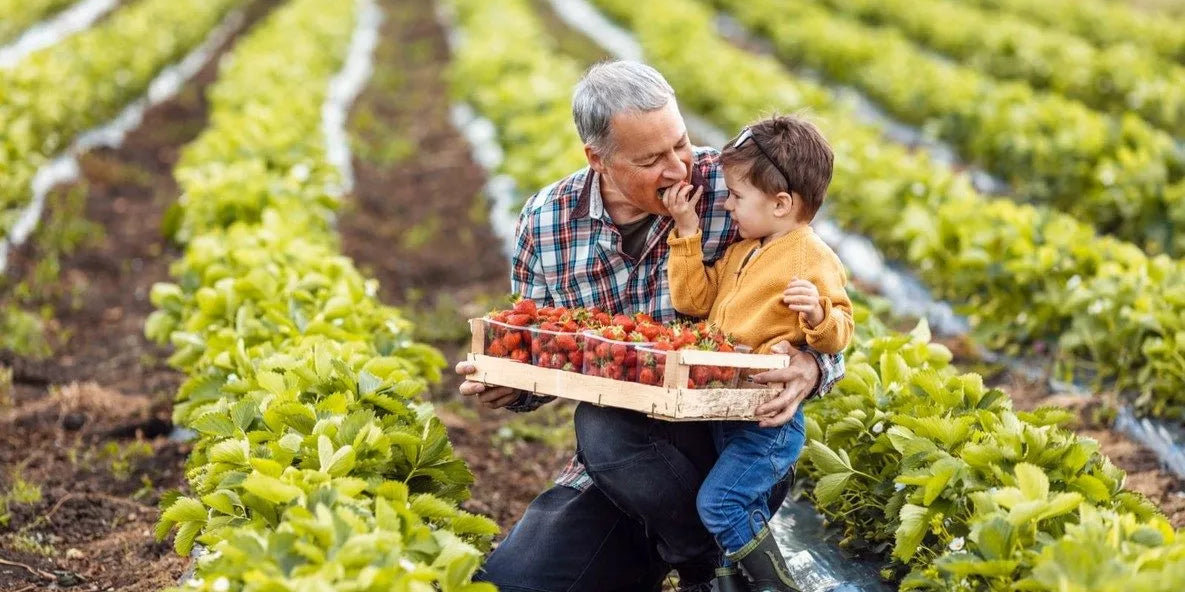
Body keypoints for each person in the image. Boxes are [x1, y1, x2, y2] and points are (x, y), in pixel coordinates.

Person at [453, 60, 845, 592]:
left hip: (725, 449)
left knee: (603, 424)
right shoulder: (545, 223)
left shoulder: (735, 189)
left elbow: (824, 302)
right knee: (516, 582)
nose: (680, 169)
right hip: (617, 473)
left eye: (680, 144)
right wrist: (509, 382)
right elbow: (543, 352)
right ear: (599, 159)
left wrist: (813, 364)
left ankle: (705, 562)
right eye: (652, 159)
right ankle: (705, 560)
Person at [662, 114, 853, 591]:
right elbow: (692, 302)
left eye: (737, 196)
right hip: (726, 412)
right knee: (732, 518)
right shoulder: (742, 251)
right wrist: (686, 230)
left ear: (782, 203)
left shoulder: (812, 258)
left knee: (719, 505)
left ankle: (781, 586)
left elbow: (841, 330)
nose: (726, 205)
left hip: (767, 422)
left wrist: (817, 317)